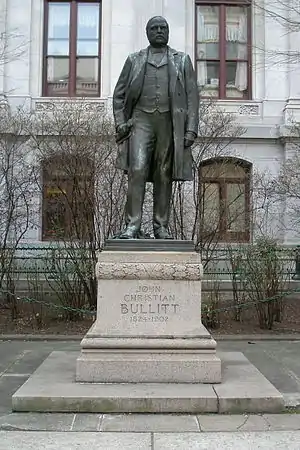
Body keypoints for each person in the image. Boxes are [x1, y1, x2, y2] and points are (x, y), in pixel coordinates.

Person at [113, 16, 199, 239]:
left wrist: (191, 129)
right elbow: (119, 95)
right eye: (154, 28)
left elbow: (192, 97)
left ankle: (161, 226)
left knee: (163, 174)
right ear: (147, 32)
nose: (159, 31)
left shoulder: (182, 60)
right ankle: (132, 225)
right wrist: (121, 123)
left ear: (168, 31)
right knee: (137, 170)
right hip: (141, 121)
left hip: (169, 124)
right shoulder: (135, 59)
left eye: (163, 28)